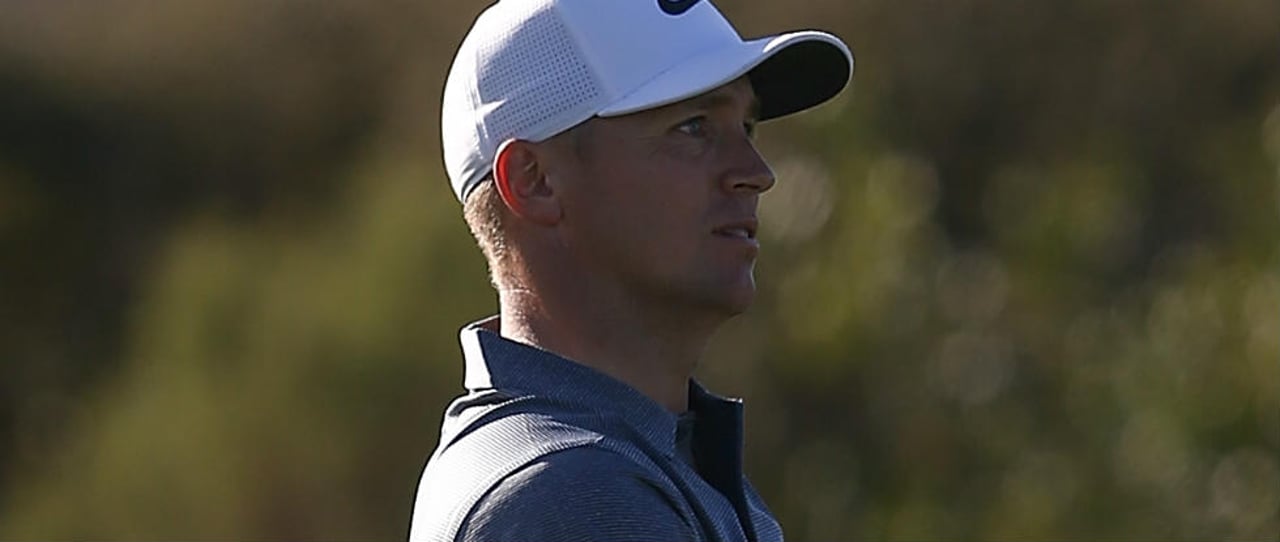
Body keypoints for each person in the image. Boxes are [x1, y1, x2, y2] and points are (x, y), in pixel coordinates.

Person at [409, 0, 853, 540]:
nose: (756, 174)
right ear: (535, 180)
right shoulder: (576, 495)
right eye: (693, 128)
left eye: (747, 128)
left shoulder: (629, 461)